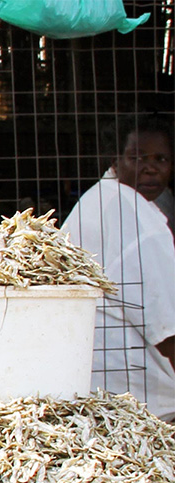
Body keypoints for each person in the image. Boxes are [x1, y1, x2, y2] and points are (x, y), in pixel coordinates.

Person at [61, 114, 174, 422]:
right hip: (137, 400)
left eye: (161, 159)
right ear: (116, 159)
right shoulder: (131, 213)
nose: (150, 168)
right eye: (137, 158)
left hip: (89, 384)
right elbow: (166, 327)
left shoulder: (101, 197)